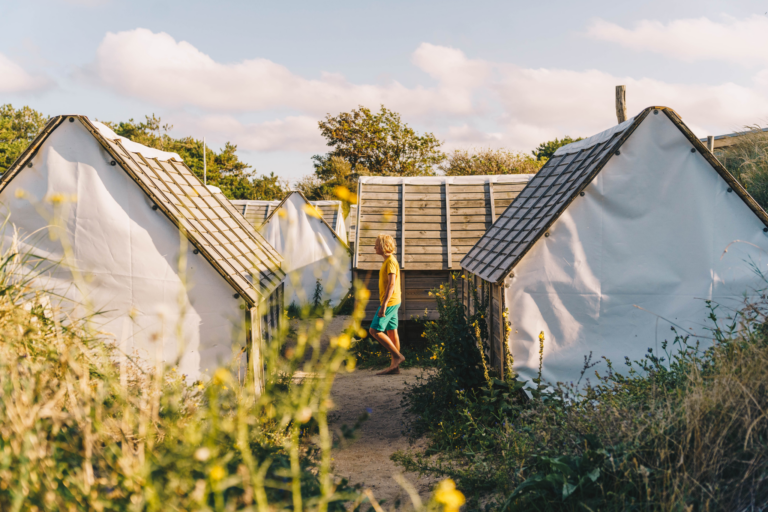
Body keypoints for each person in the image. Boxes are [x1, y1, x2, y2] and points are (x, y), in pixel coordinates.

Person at [368, 234, 405, 375]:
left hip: (389, 302)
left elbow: (391, 285)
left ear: (384, 246)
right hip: (394, 301)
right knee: (392, 331)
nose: (374, 247)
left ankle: (398, 356)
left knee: (374, 330)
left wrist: (383, 306)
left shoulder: (390, 261)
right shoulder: (388, 261)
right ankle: (395, 368)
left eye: (376, 245)